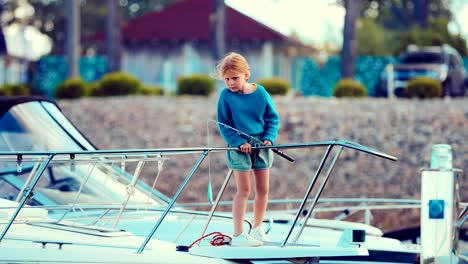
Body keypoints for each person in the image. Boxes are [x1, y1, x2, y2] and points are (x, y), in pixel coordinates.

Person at [216, 52, 280, 247]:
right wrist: (237, 141)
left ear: (246, 74)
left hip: (261, 144)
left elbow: (272, 119)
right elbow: (223, 123)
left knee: (263, 189)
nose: (230, 83)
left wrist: (269, 138)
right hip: (238, 146)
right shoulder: (225, 96)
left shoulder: (261, 93)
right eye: (226, 79)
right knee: (244, 190)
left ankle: (258, 228)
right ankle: (238, 234)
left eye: (234, 78)